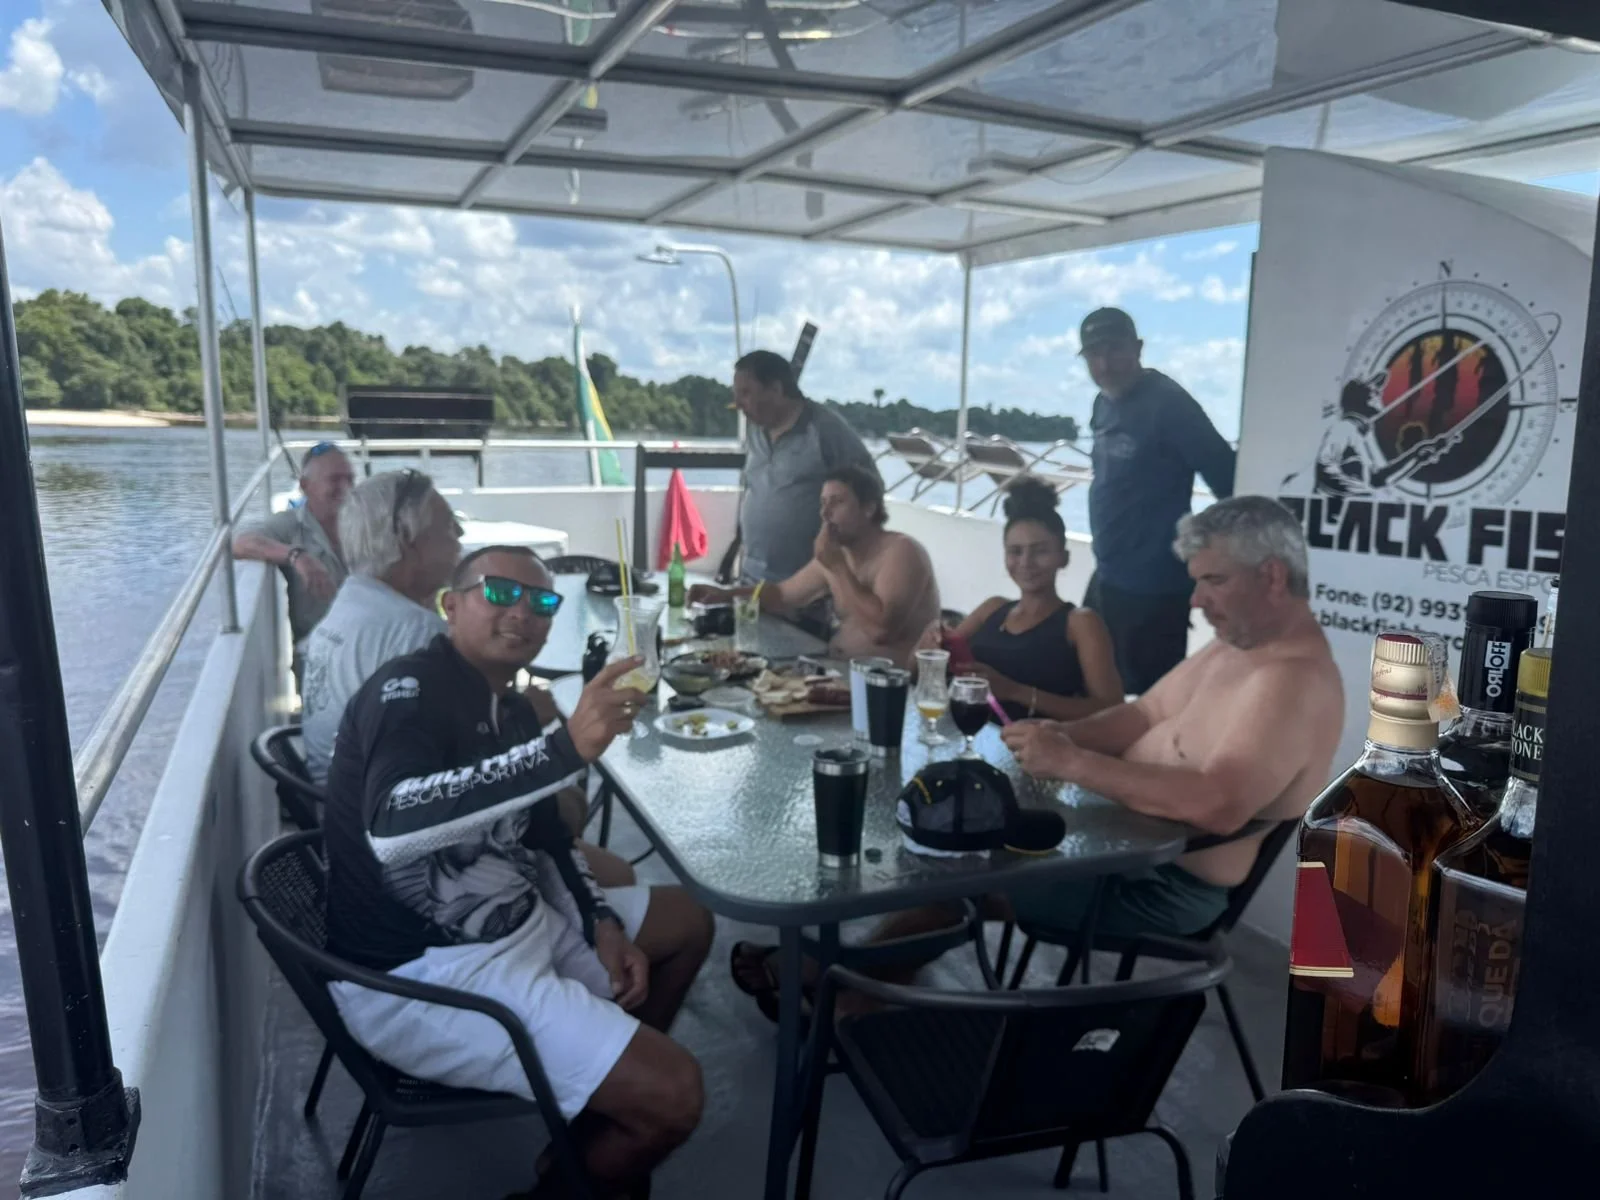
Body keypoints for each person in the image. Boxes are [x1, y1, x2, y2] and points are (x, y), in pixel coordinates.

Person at [731, 496, 1342, 1007]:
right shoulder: (1239, 646)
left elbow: (1219, 805)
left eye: (1213, 581)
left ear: (1271, 576)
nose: (1196, 603)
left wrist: (1074, 764)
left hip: (1158, 889)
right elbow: (1144, 713)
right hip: (1118, 844)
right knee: (957, 840)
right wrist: (1061, 739)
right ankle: (848, 979)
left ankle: (840, 992)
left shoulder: (1293, 682)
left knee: (962, 872)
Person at [325, 546, 713, 1199]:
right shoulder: (410, 692)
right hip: (425, 976)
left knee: (688, 921)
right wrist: (563, 750)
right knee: (676, 1094)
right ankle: (563, 1184)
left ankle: (597, 1123)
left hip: (519, 925)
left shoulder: (507, 703)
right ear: (452, 605)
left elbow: (545, 836)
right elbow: (392, 826)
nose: (523, 614)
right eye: (500, 593)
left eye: (542, 602)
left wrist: (601, 920)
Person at [1081, 307, 1236, 693]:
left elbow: (1228, 480)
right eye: (1093, 354)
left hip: (1154, 590)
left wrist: (1206, 555)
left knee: (1149, 706)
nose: (1104, 364)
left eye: (1114, 350)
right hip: (1107, 576)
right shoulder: (1103, 403)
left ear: (1137, 348)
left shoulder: (1170, 404)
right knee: (1094, 687)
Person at [299, 469, 461, 786]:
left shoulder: (352, 599)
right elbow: (442, 762)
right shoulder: (417, 632)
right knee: (561, 804)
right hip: (368, 814)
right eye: (448, 525)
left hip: (329, 796)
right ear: (405, 536)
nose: (460, 533)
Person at [690, 464, 938, 667]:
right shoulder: (836, 554)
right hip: (837, 670)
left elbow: (882, 631)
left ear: (869, 508)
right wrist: (725, 595)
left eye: (837, 502)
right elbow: (782, 595)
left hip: (887, 689)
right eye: (823, 503)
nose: (825, 513)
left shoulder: (901, 552)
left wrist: (838, 568)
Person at [917, 478, 1123, 720]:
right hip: (971, 732)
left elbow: (1111, 709)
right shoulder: (992, 609)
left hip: (1037, 747)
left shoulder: (1080, 623)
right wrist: (930, 643)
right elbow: (931, 666)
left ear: (1063, 558)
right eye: (1016, 552)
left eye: (1040, 551)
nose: (1026, 562)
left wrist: (1014, 691)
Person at [732, 349, 876, 588]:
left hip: (806, 589)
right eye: (736, 395)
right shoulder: (754, 430)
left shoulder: (826, 431)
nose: (738, 404)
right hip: (751, 580)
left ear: (776, 390)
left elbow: (871, 491)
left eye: (746, 393)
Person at [233, 441, 354, 682]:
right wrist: (297, 556)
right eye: (335, 480)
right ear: (305, 486)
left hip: (365, 643)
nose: (346, 488)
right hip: (318, 657)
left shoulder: (367, 522)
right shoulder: (290, 526)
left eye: (350, 479)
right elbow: (239, 544)